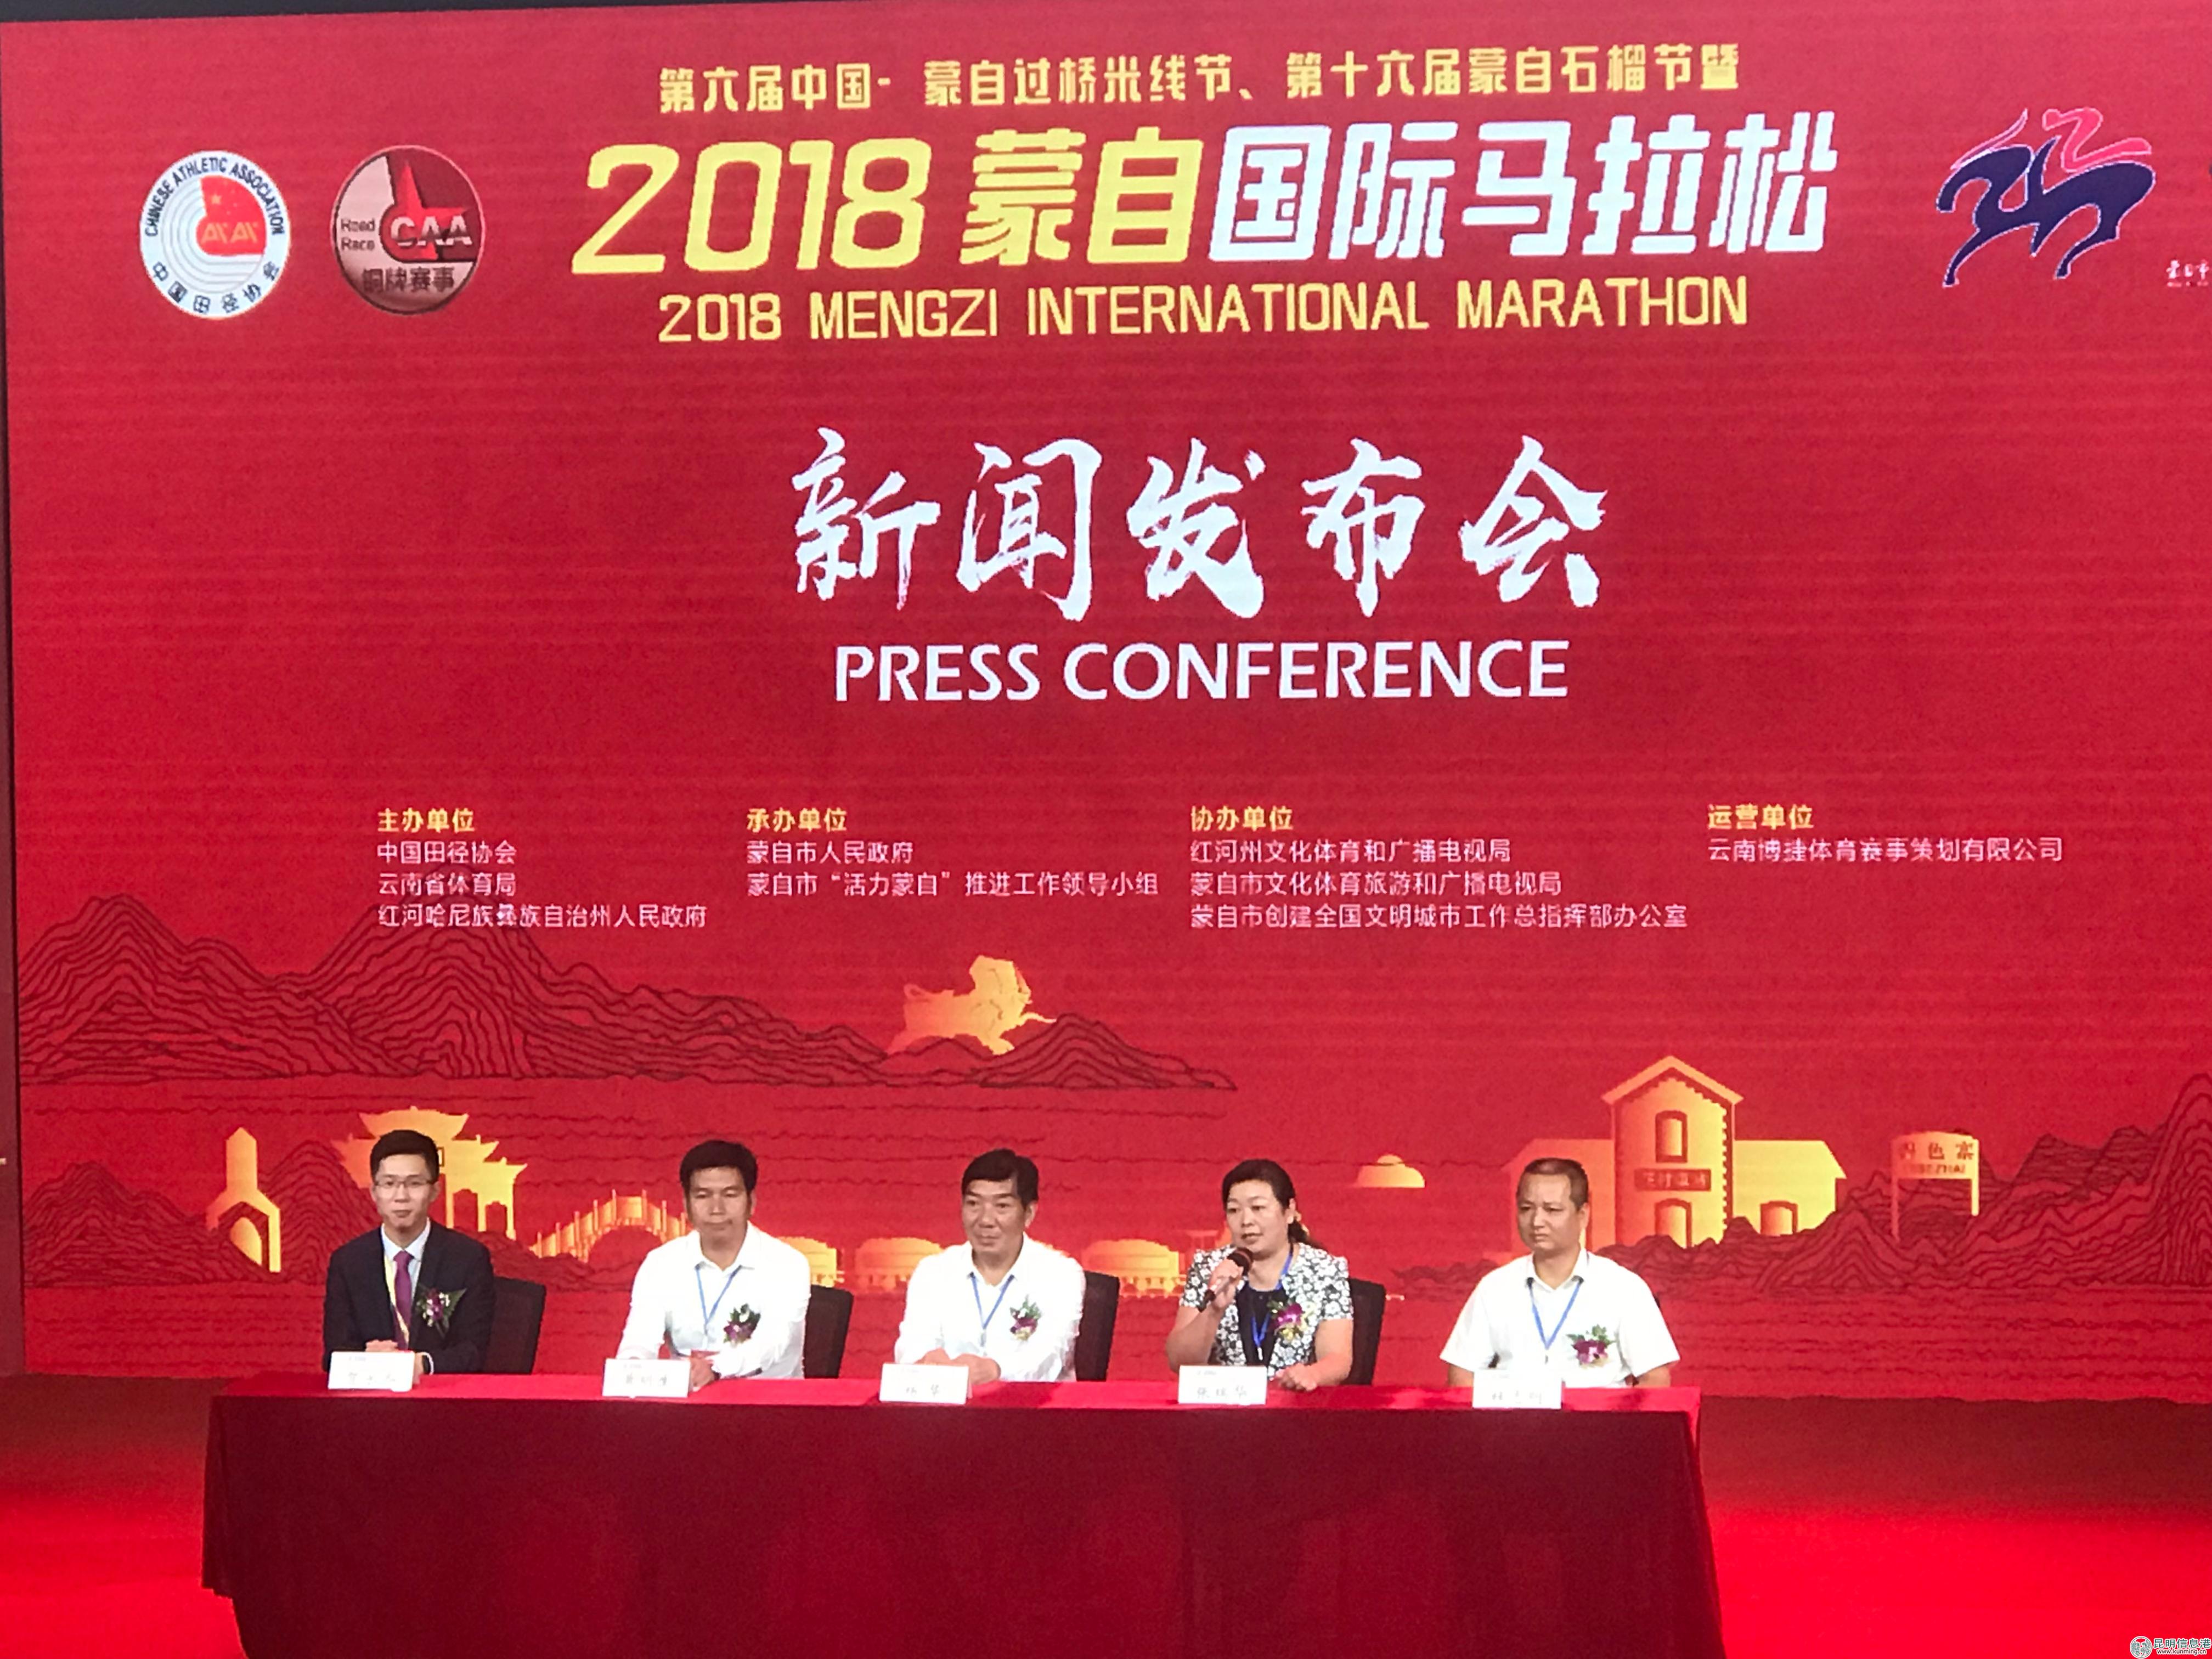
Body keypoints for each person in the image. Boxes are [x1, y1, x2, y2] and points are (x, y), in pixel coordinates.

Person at [1442, 1157, 1678, 1388]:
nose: (1537, 1221)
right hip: (1512, 1414)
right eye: (1526, 1209)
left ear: (1583, 1215)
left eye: (1552, 1210)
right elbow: (1462, 1375)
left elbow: (1655, 1379)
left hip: (1597, 1415)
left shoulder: (1623, 1288)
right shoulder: (1495, 1288)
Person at [616, 1139, 812, 1390]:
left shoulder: (787, 1264)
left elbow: (771, 1344)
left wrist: (715, 1368)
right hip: (687, 1402)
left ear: (751, 1202)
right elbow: (639, 1340)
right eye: (702, 1196)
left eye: (730, 1195)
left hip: (768, 1402)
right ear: (686, 1205)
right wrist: (632, 1370)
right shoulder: (661, 1263)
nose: (716, 1209)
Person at [893, 1148, 1088, 1384]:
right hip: (949, 1405)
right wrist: (924, 1361)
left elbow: (1049, 1357)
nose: (985, 1220)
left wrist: (996, 1370)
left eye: (1002, 1206)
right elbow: (911, 1346)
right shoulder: (933, 1272)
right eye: (974, 1204)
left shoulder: (1060, 1275)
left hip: (1032, 1405)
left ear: (1029, 1213)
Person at [1167, 1159, 1352, 1391]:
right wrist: (1213, 1312)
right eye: (1234, 1210)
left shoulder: (1325, 1270)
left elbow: (1338, 1359)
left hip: (1294, 1403)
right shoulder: (1210, 1268)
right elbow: (1180, 1362)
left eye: (1258, 1208)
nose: (1246, 1221)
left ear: (1289, 1212)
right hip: (1225, 1406)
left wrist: (1310, 1375)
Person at [323, 1128, 496, 1375]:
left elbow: (473, 1353)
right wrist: (364, 1360)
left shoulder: (467, 1258)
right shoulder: (349, 1262)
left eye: (414, 1184)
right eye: (389, 1184)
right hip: (373, 1395)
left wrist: (421, 1364)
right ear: (374, 1192)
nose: (401, 1196)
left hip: (442, 1393)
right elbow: (333, 1357)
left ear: (434, 1191)